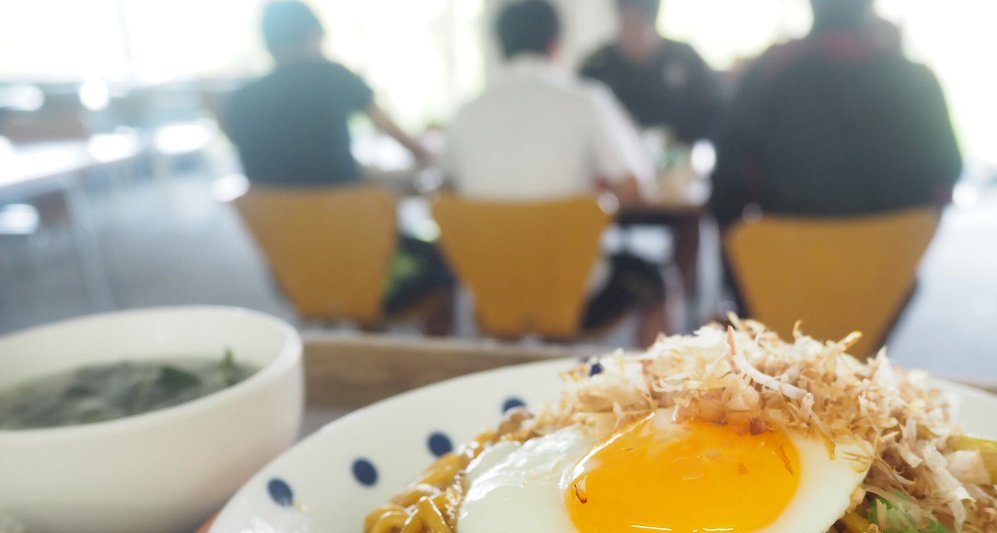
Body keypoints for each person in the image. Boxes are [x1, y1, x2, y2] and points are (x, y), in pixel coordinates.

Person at [443, 0, 677, 344]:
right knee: (657, 281)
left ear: (498, 45)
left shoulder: (464, 113)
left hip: (489, 288)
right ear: (557, 44)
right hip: (578, 293)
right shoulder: (587, 101)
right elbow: (635, 188)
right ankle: (658, 393)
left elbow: (447, 190)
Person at [222, 1, 450, 322]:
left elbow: (285, 160)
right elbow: (409, 145)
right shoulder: (333, 75)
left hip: (292, 272)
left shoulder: (239, 100)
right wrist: (427, 150)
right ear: (315, 34)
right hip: (364, 263)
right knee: (443, 256)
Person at [710, 0, 963, 227]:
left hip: (784, 265)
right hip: (888, 268)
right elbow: (948, 172)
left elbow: (726, 187)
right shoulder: (917, 80)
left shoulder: (768, 73)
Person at [579, 0, 723, 146]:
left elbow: (714, 112)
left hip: (678, 157)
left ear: (652, 21)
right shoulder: (597, 65)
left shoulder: (686, 59)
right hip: (613, 158)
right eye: (624, 22)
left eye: (637, 24)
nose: (630, 33)